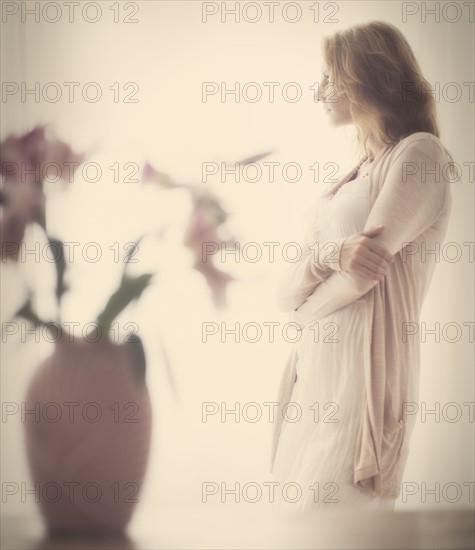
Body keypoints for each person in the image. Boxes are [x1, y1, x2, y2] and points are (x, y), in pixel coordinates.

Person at [270, 21, 455, 512]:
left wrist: (304, 308)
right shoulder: (352, 175)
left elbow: (360, 275)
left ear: (367, 77)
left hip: (360, 383)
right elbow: (284, 291)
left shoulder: (419, 155)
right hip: (315, 377)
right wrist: (328, 258)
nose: (319, 92)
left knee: (333, 523)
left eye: (330, 78)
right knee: (295, 527)